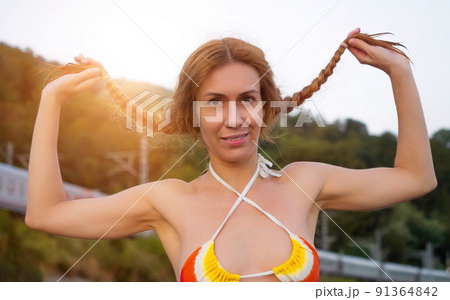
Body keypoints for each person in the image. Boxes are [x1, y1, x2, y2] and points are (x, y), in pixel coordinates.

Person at [25, 27, 437, 282]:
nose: (234, 118)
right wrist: (51, 101)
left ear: (266, 105)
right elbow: (45, 213)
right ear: (193, 113)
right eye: (215, 102)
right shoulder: (169, 200)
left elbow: (416, 177)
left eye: (248, 99)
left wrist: (401, 73)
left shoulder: (306, 183)